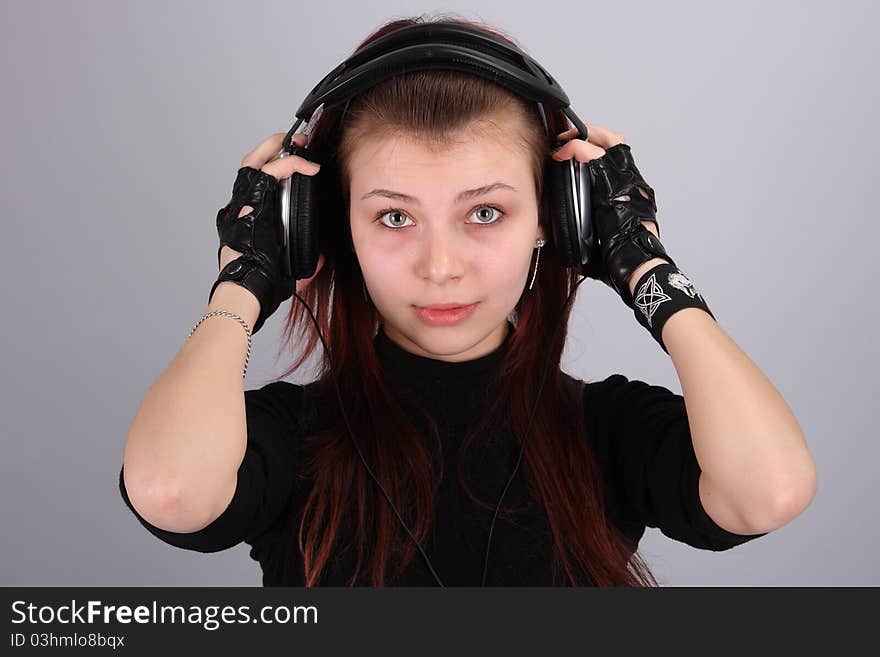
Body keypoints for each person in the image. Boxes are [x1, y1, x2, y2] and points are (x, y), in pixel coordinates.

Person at [118, 14, 800, 587]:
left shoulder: (607, 431)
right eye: (394, 217)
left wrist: (646, 266)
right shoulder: (290, 439)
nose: (440, 267)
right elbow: (170, 491)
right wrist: (245, 280)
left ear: (554, 220)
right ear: (327, 228)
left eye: (484, 214)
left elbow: (769, 489)